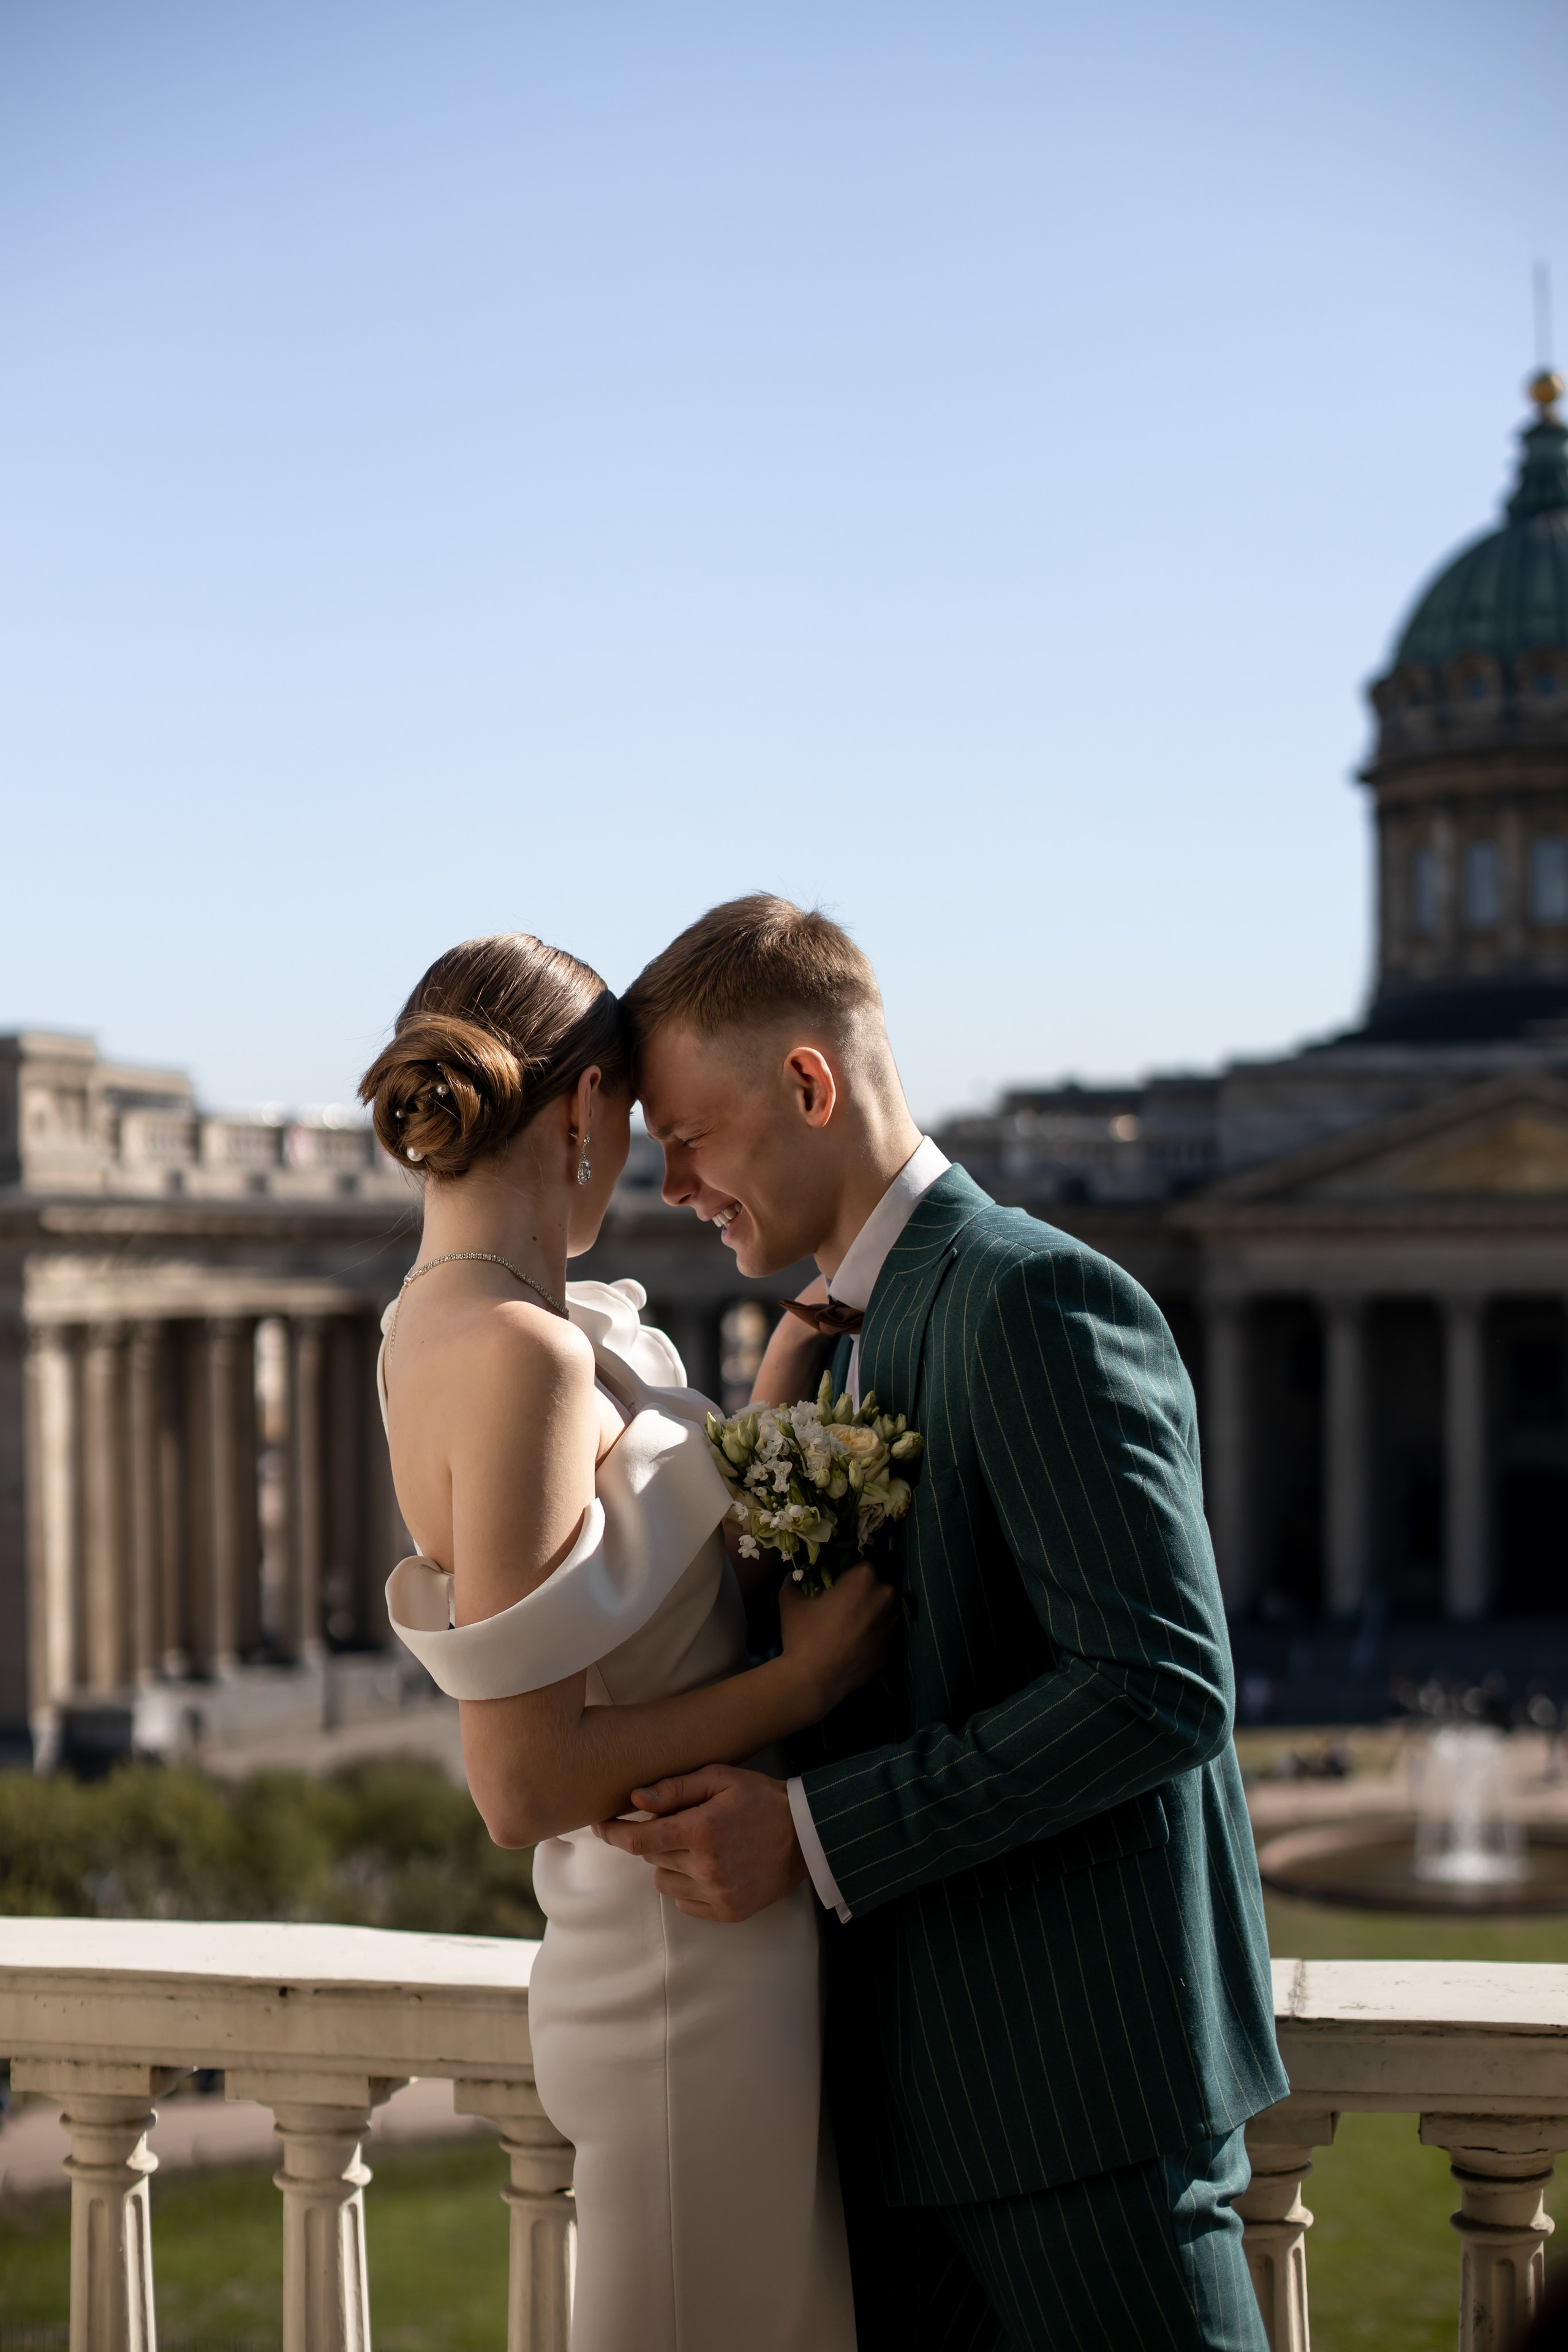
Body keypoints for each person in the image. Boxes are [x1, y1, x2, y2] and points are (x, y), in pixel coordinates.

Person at [598, 893, 1290, 2352]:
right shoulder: (859, 1325)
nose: (672, 1186)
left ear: (806, 1085)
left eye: (691, 1137)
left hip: (1075, 2114)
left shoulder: (1029, 1296)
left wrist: (813, 1835)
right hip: (917, 2114)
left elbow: (1158, 1687)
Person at [363, 932, 892, 2352]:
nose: (664, 1174)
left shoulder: (443, 1322)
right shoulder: (520, 1355)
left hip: (691, 1946)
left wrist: (767, 1394)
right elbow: (523, 1784)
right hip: (682, 1969)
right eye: (642, 1129)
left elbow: (606, 1602)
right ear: (583, 1110)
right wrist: (807, 1678)